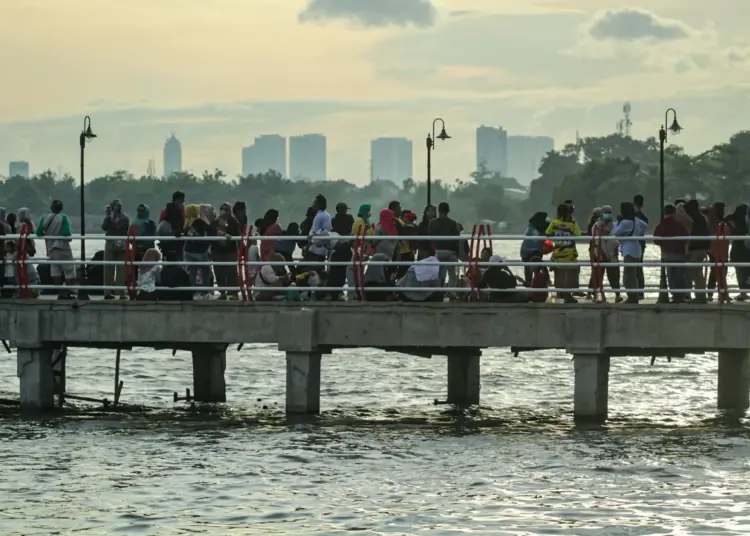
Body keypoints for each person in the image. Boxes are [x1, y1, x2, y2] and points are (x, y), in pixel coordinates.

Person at [36, 200, 76, 298]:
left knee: (55, 270)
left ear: (51, 208)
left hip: (50, 249)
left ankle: (60, 292)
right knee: (69, 270)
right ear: (61, 208)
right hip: (62, 248)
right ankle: (67, 292)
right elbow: (67, 233)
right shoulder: (63, 217)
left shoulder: (44, 218)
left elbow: (38, 232)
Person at [654, 204, 690, 303]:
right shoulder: (679, 223)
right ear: (674, 212)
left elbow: (656, 238)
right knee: (679, 275)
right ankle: (680, 295)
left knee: (671, 275)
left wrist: (663, 244)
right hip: (680, 253)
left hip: (667, 253)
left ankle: (675, 294)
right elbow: (686, 237)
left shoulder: (663, 223)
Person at [613, 201, 648, 304]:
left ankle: (632, 297)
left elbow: (615, 232)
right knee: (634, 274)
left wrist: (618, 222)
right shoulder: (636, 220)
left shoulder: (625, 222)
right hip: (637, 248)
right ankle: (635, 295)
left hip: (628, 249)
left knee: (629, 275)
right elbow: (645, 226)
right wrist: (638, 233)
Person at [545, 203, 581, 303]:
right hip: (569, 253)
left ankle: (560, 292)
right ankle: (568, 295)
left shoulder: (554, 222)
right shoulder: (572, 223)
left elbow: (547, 233)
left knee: (559, 273)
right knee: (570, 274)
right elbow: (578, 235)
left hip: (557, 251)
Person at [183, 204, 216, 298]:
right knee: (205, 271)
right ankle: (206, 291)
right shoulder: (200, 221)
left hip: (188, 251)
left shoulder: (188, 222)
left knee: (193, 272)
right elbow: (211, 230)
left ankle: (195, 291)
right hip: (199, 252)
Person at [590, 205, 621, 302]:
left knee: (614, 276)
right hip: (600, 254)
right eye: (606, 212)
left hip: (612, 254)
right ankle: (599, 296)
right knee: (598, 276)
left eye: (609, 212)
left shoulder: (615, 225)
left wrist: (612, 252)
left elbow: (616, 239)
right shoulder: (596, 226)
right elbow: (597, 241)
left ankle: (617, 295)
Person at [428, 202, 461, 294]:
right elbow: (457, 237)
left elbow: (429, 236)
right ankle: (451, 292)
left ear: (438, 210)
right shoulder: (453, 223)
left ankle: (438, 292)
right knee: (452, 274)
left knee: (439, 274)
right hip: (450, 251)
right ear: (448, 211)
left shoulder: (433, 222)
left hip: (437, 250)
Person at [211, 203, 241, 299]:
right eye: (221, 208)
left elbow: (236, 234)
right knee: (219, 271)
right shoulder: (215, 221)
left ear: (230, 211)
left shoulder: (234, 222)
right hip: (217, 250)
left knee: (231, 272)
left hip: (230, 250)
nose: (223, 211)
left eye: (226, 209)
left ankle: (233, 292)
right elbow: (211, 231)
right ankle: (222, 292)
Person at [102, 199, 130, 299]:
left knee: (108, 269)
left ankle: (108, 292)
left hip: (110, 243)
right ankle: (121, 293)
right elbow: (126, 229)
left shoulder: (109, 218)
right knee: (121, 269)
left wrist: (109, 217)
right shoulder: (125, 218)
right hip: (122, 244)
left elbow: (104, 227)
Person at [684, 199, 710, 303]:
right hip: (702, 249)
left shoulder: (693, 220)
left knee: (696, 274)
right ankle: (701, 295)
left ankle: (700, 297)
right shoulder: (703, 218)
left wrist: (687, 247)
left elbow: (691, 235)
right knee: (699, 274)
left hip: (695, 250)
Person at [330, 202, 354, 300]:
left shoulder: (333, 220)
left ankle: (337, 292)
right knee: (345, 271)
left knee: (336, 271)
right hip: (346, 248)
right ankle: (344, 292)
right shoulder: (349, 218)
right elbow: (352, 231)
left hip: (336, 248)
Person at [15, 208, 40, 297]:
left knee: (30, 273)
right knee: (25, 273)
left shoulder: (27, 225)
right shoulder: (22, 226)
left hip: (24, 252)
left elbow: (30, 237)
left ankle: (32, 291)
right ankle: (27, 291)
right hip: (20, 252)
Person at [305, 195, 333, 275]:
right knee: (320, 270)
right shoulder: (327, 215)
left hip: (316, 248)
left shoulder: (319, 216)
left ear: (318, 205)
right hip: (324, 248)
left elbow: (313, 233)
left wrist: (307, 246)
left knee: (313, 271)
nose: (312, 204)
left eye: (314, 202)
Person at [520, 212, 548, 285]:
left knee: (528, 271)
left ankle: (529, 284)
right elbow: (548, 233)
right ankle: (543, 283)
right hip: (534, 251)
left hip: (524, 251)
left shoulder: (530, 227)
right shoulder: (539, 228)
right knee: (539, 268)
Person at [730, 204, 750, 300]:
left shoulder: (734, 221)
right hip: (747, 249)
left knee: (739, 271)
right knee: (747, 271)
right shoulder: (747, 223)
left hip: (737, 249)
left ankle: (743, 292)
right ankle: (745, 291)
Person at [633, 194, 649, 299]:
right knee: (639, 268)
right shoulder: (644, 217)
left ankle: (635, 291)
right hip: (641, 244)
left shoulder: (633, 217)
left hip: (634, 244)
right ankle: (640, 291)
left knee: (633, 269)